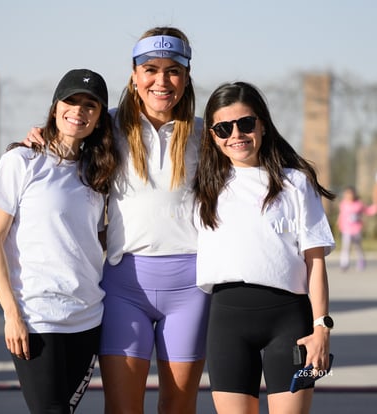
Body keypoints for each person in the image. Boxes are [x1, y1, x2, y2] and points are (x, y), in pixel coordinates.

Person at [24, 27, 210, 414]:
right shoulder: (106, 126)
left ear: (187, 76)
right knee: (123, 407)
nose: (162, 80)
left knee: (179, 405)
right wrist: (39, 136)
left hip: (191, 289)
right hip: (125, 288)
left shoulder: (206, 134)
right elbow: (67, 137)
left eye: (173, 70)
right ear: (134, 75)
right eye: (151, 69)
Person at [194, 81, 335, 414]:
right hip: (227, 324)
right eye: (223, 128)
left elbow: (315, 262)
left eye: (246, 123)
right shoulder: (202, 185)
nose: (236, 134)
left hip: (290, 323)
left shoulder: (296, 183)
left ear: (262, 125)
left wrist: (322, 328)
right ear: (212, 135)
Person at [0, 68, 119, 414]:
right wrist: (11, 314)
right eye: (71, 101)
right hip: (36, 317)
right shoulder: (21, 161)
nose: (79, 110)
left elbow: (93, 238)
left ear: (100, 116)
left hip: (87, 317)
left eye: (90, 105)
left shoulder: (99, 170)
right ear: (56, 106)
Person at [337, 185, 377, 271]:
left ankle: (361, 261)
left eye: (350, 194)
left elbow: (369, 211)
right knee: (346, 246)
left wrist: (375, 206)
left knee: (357, 246)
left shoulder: (359, 204)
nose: (348, 196)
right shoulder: (343, 204)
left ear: (354, 194)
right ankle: (344, 263)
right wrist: (339, 224)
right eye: (346, 194)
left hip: (356, 230)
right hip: (346, 229)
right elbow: (341, 215)